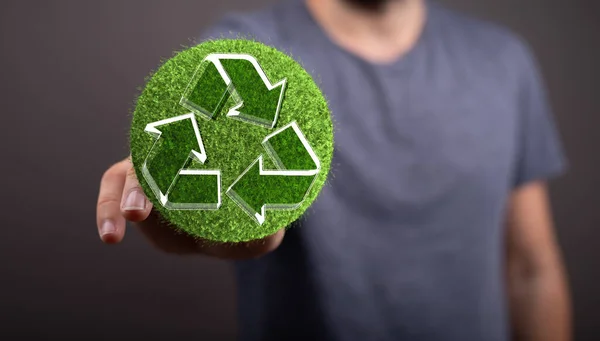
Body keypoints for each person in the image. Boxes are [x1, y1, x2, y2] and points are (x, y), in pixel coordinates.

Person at [96, 0, 572, 340]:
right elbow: (189, 224)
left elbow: (532, 267)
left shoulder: (502, 60)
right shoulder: (245, 52)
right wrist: (171, 210)